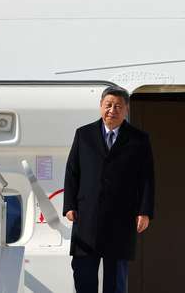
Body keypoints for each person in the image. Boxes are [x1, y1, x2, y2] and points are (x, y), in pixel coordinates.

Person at [63, 86, 155, 293]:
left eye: (118, 106)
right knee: (83, 274)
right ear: (101, 107)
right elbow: (72, 172)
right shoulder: (83, 135)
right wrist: (69, 205)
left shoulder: (139, 139)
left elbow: (147, 178)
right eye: (108, 105)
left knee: (116, 280)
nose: (112, 110)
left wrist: (145, 211)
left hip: (120, 218)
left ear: (126, 110)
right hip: (87, 216)